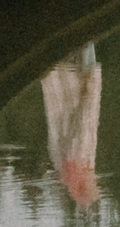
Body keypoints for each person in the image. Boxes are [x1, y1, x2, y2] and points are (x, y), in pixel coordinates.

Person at [40, 42, 102, 208]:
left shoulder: (77, 161)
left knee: (84, 39)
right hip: (67, 80)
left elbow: (80, 126)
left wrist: (88, 95)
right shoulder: (70, 164)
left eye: (93, 185)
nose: (96, 181)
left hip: (75, 82)